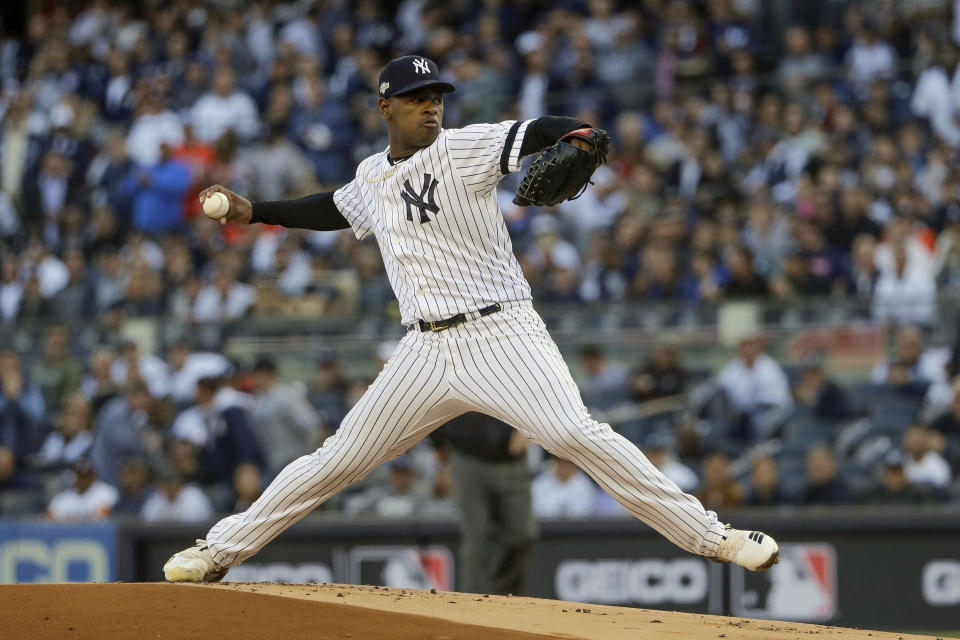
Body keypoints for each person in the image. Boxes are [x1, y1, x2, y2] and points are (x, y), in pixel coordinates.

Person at [164, 55, 779, 583]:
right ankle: (221, 549)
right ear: (386, 109)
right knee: (336, 460)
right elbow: (330, 207)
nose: (430, 108)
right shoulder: (372, 176)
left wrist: (581, 133)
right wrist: (255, 212)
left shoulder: (463, 148)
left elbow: (541, 130)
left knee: (573, 435)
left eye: (435, 98)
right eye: (415, 99)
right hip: (423, 352)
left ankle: (712, 536)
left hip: (501, 333)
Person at [438, 412, 536, 595]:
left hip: (512, 458)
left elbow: (541, 391)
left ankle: (505, 596)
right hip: (468, 458)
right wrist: (443, 463)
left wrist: (529, 427)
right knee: (477, 539)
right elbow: (437, 405)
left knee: (523, 533)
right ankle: (473, 607)